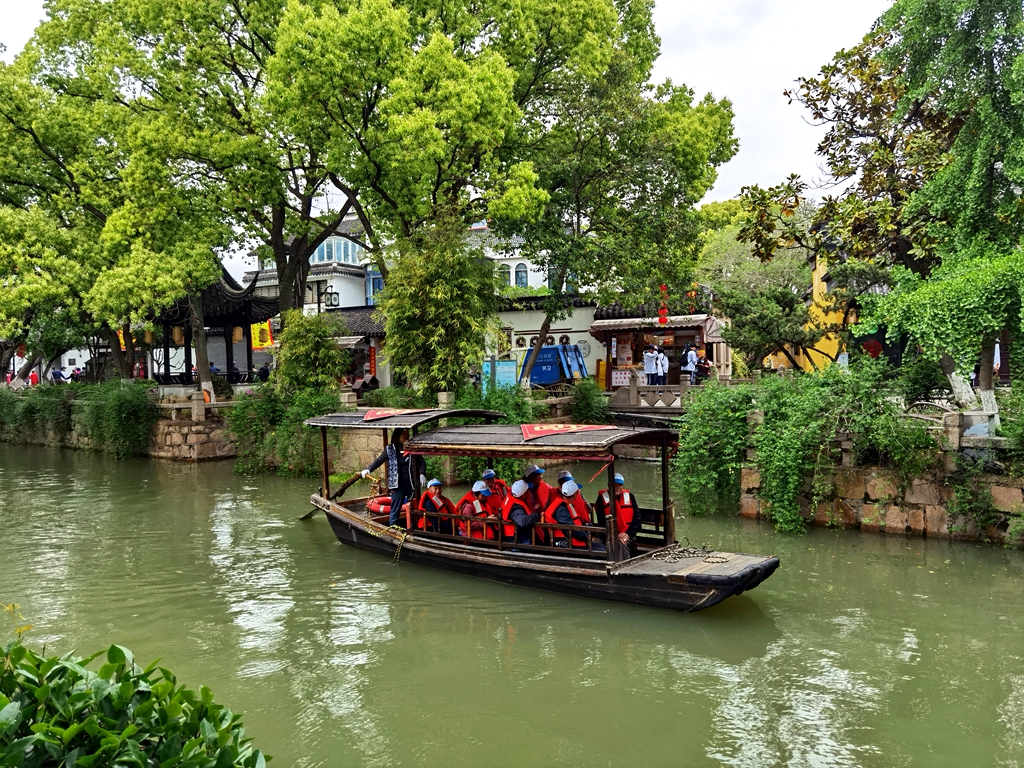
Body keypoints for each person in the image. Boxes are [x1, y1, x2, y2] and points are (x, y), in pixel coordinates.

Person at [361, 428, 427, 528]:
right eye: (403, 433)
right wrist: (368, 469)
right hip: (397, 484)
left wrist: (423, 474)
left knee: (415, 505)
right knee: (396, 507)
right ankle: (393, 528)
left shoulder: (412, 448)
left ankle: (416, 528)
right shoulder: (390, 449)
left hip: (411, 483)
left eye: (407, 433)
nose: (406, 435)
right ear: (398, 435)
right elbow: (379, 461)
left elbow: (422, 462)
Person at [544, 481, 605, 550]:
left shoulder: (566, 504)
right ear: (575, 494)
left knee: (602, 546)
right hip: (567, 542)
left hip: (573, 537)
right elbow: (571, 529)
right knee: (602, 549)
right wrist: (588, 537)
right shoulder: (561, 509)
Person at [594, 473, 641, 560]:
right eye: (615, 484)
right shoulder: (601, 499)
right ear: (609, 485)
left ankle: (620, 567)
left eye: (620, 485)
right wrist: (615, 534)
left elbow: (637, 518)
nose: (617, 487)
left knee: (620, 543)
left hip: (628, 533)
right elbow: (601, 521)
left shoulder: (630, 497)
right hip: (608, 533)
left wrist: (627, 534)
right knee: (596, 545)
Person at [501, 479, 541, 546]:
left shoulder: (512, 497)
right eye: (528, 490)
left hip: (517, 537)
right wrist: (538, 515)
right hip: (519, 540)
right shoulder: (516, 508)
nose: (529, 491)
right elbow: (523, 521)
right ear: (524, 495)